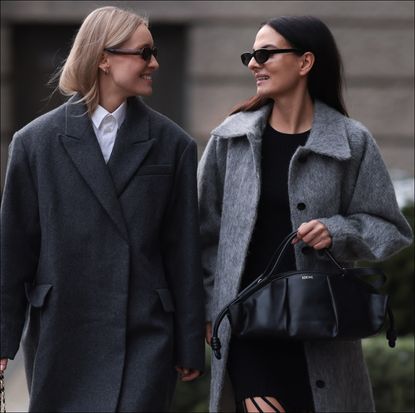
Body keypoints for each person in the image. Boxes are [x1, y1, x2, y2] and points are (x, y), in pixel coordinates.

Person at [198, 15, 413, 413]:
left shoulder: (351, 141)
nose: (252, 63)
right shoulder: (230, 140)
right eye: (250, 54)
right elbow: (202, 237)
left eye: (265, 53)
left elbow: (391, 229)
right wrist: (211, 316)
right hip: (248, 335)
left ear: (305, 62)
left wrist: (338, 230)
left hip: (325, 337)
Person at [0, 6, 205, 412]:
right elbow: (14, 251)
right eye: (144, 53)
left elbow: (182, 250)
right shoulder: (35, 143)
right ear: (103, 58)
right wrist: (3, 340)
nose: (155, 63)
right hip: (64, 331)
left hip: (144, 333)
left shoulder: (173, 144)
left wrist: (188, 343)